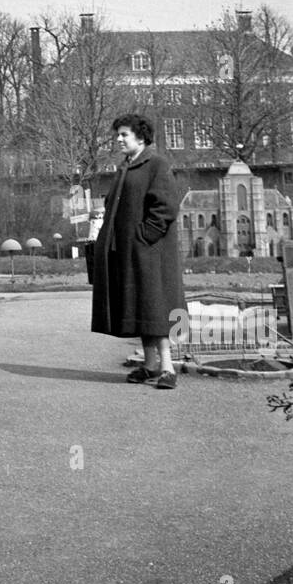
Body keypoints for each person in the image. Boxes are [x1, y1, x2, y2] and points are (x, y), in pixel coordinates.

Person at [91, 114, 186, 390]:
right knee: (142, 307)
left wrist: (144, 237)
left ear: (141, 137)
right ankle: (150, 364)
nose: (118, 139)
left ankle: (167, 367)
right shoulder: (127, 167)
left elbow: (166, 207)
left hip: (152, 254)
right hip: (131, 253)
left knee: (157, 308)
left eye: (124, 135)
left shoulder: (157, 164)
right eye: (117, 135)